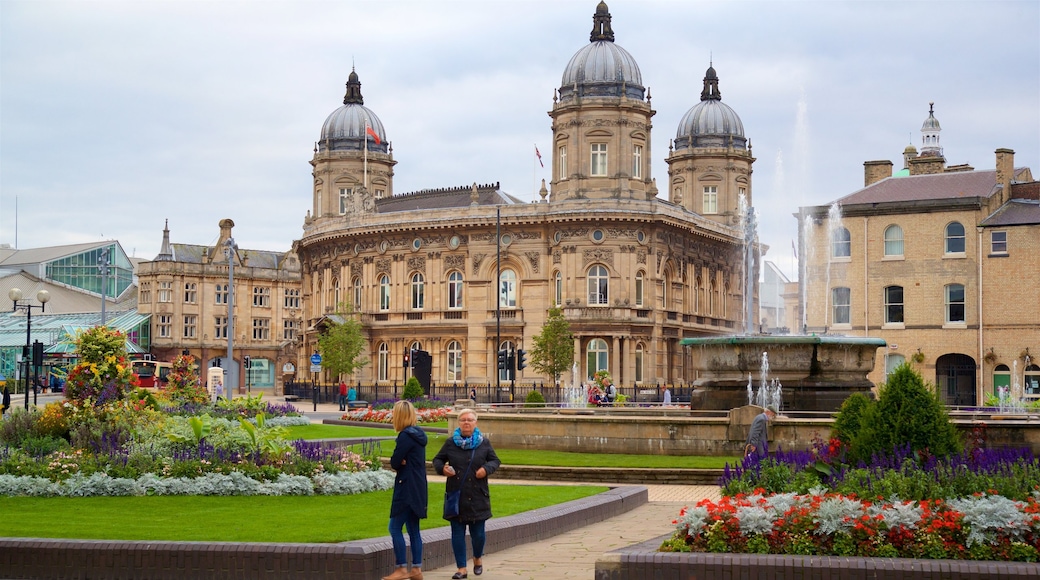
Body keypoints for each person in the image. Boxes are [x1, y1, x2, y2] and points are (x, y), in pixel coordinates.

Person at [434, 408, 500, 579]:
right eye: (463, 420)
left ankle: (477, 557)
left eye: (470, 420)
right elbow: (437, 459)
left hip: (478, 495)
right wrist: (443, 468)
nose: (466, 423)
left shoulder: (483, 443)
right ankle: (461, 568)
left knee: (478, 534)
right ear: (459, 423)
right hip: (456, 496)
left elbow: (495, 460)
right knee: (457, 532)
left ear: (475, 422)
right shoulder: (450, 443)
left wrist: (486, 469)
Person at [385, 400, 428, 580]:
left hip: (406, 485)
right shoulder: (419, 434)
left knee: (394, 527)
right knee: (413, 529)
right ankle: (416, 569)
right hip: (419, 486)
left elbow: (395, 461)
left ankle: (401, 568)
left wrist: (400, 462)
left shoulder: (405, 436)